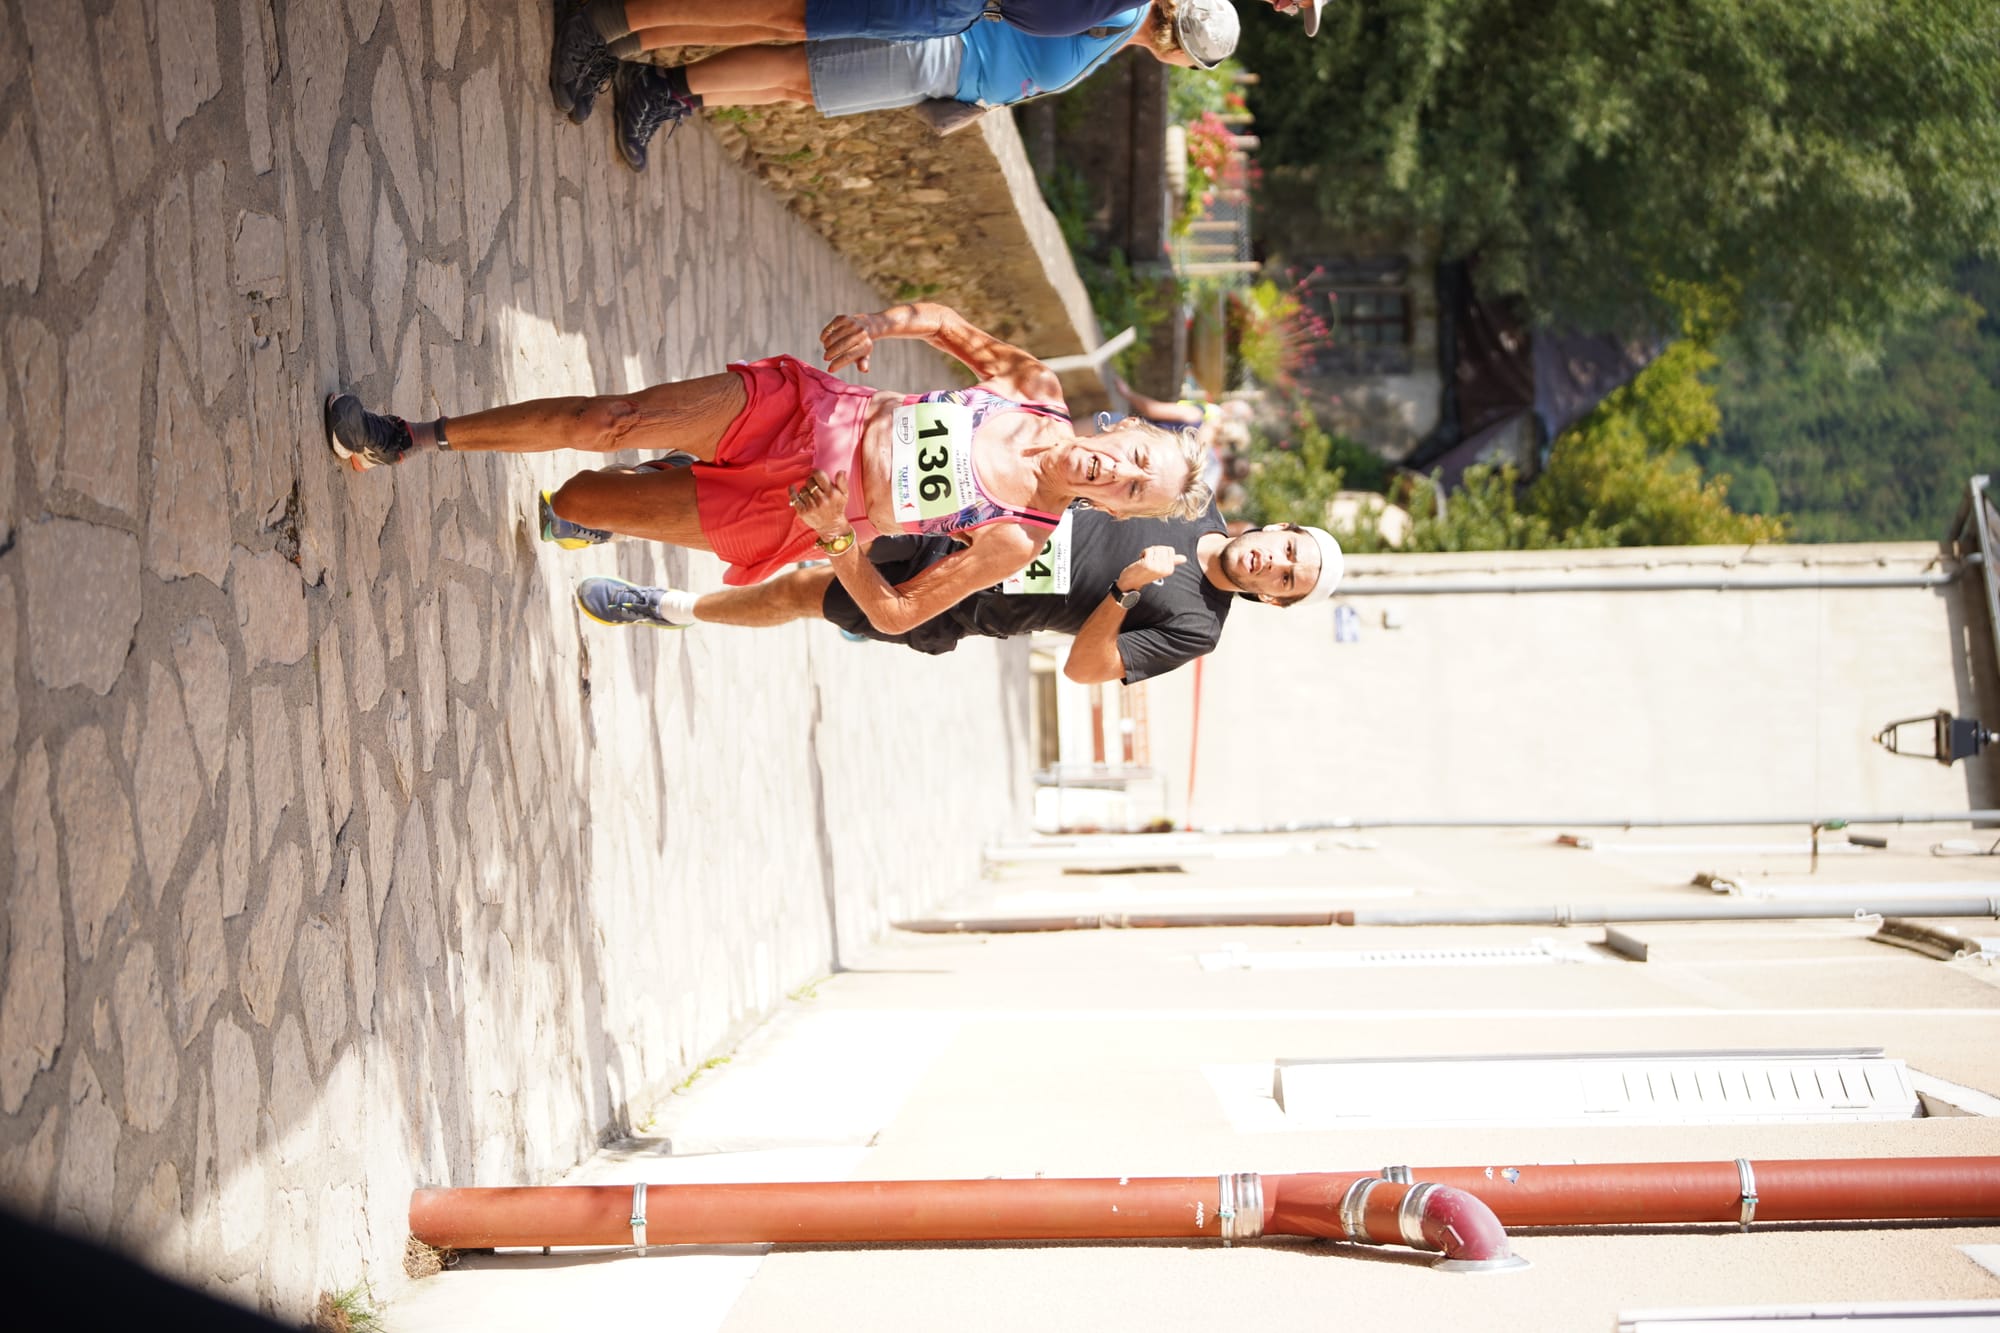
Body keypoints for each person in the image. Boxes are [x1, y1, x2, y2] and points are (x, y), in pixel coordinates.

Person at [324, 302, 1210, 637]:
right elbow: (948, 323)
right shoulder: (1035, 388)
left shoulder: (1021, 538)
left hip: (799, 510)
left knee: (583, 498)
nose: (1116, 474)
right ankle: (408, 436)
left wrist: (837, 541)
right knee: (609, 418)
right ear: (1128, 426)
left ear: (1123, 508)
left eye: (1135, 490)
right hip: (812, 411)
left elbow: (898, 613)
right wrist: (878, 324)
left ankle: (633, 494)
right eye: (1135, 457)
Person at [568, 504, 1343, 685]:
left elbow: (1084, 670)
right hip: (957, 517)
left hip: (963, 601)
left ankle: (664, 606)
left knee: (807, 590)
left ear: (1273, 601)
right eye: (1286, 549)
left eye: (1286, 577)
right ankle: (616, 510)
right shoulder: (1185, 492)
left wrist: (1119, 591)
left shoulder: (1195, 627)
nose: (1274, 562)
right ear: (1277, 525)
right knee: (804, 527)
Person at [603, 0, 1236, 168]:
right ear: (1183, 49)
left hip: (952, 66)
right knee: (804, 74)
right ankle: (662, 87)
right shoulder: (1119, 18)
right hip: (946, 51)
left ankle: (669, 85)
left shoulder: (1122, 32)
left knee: (804, 82)